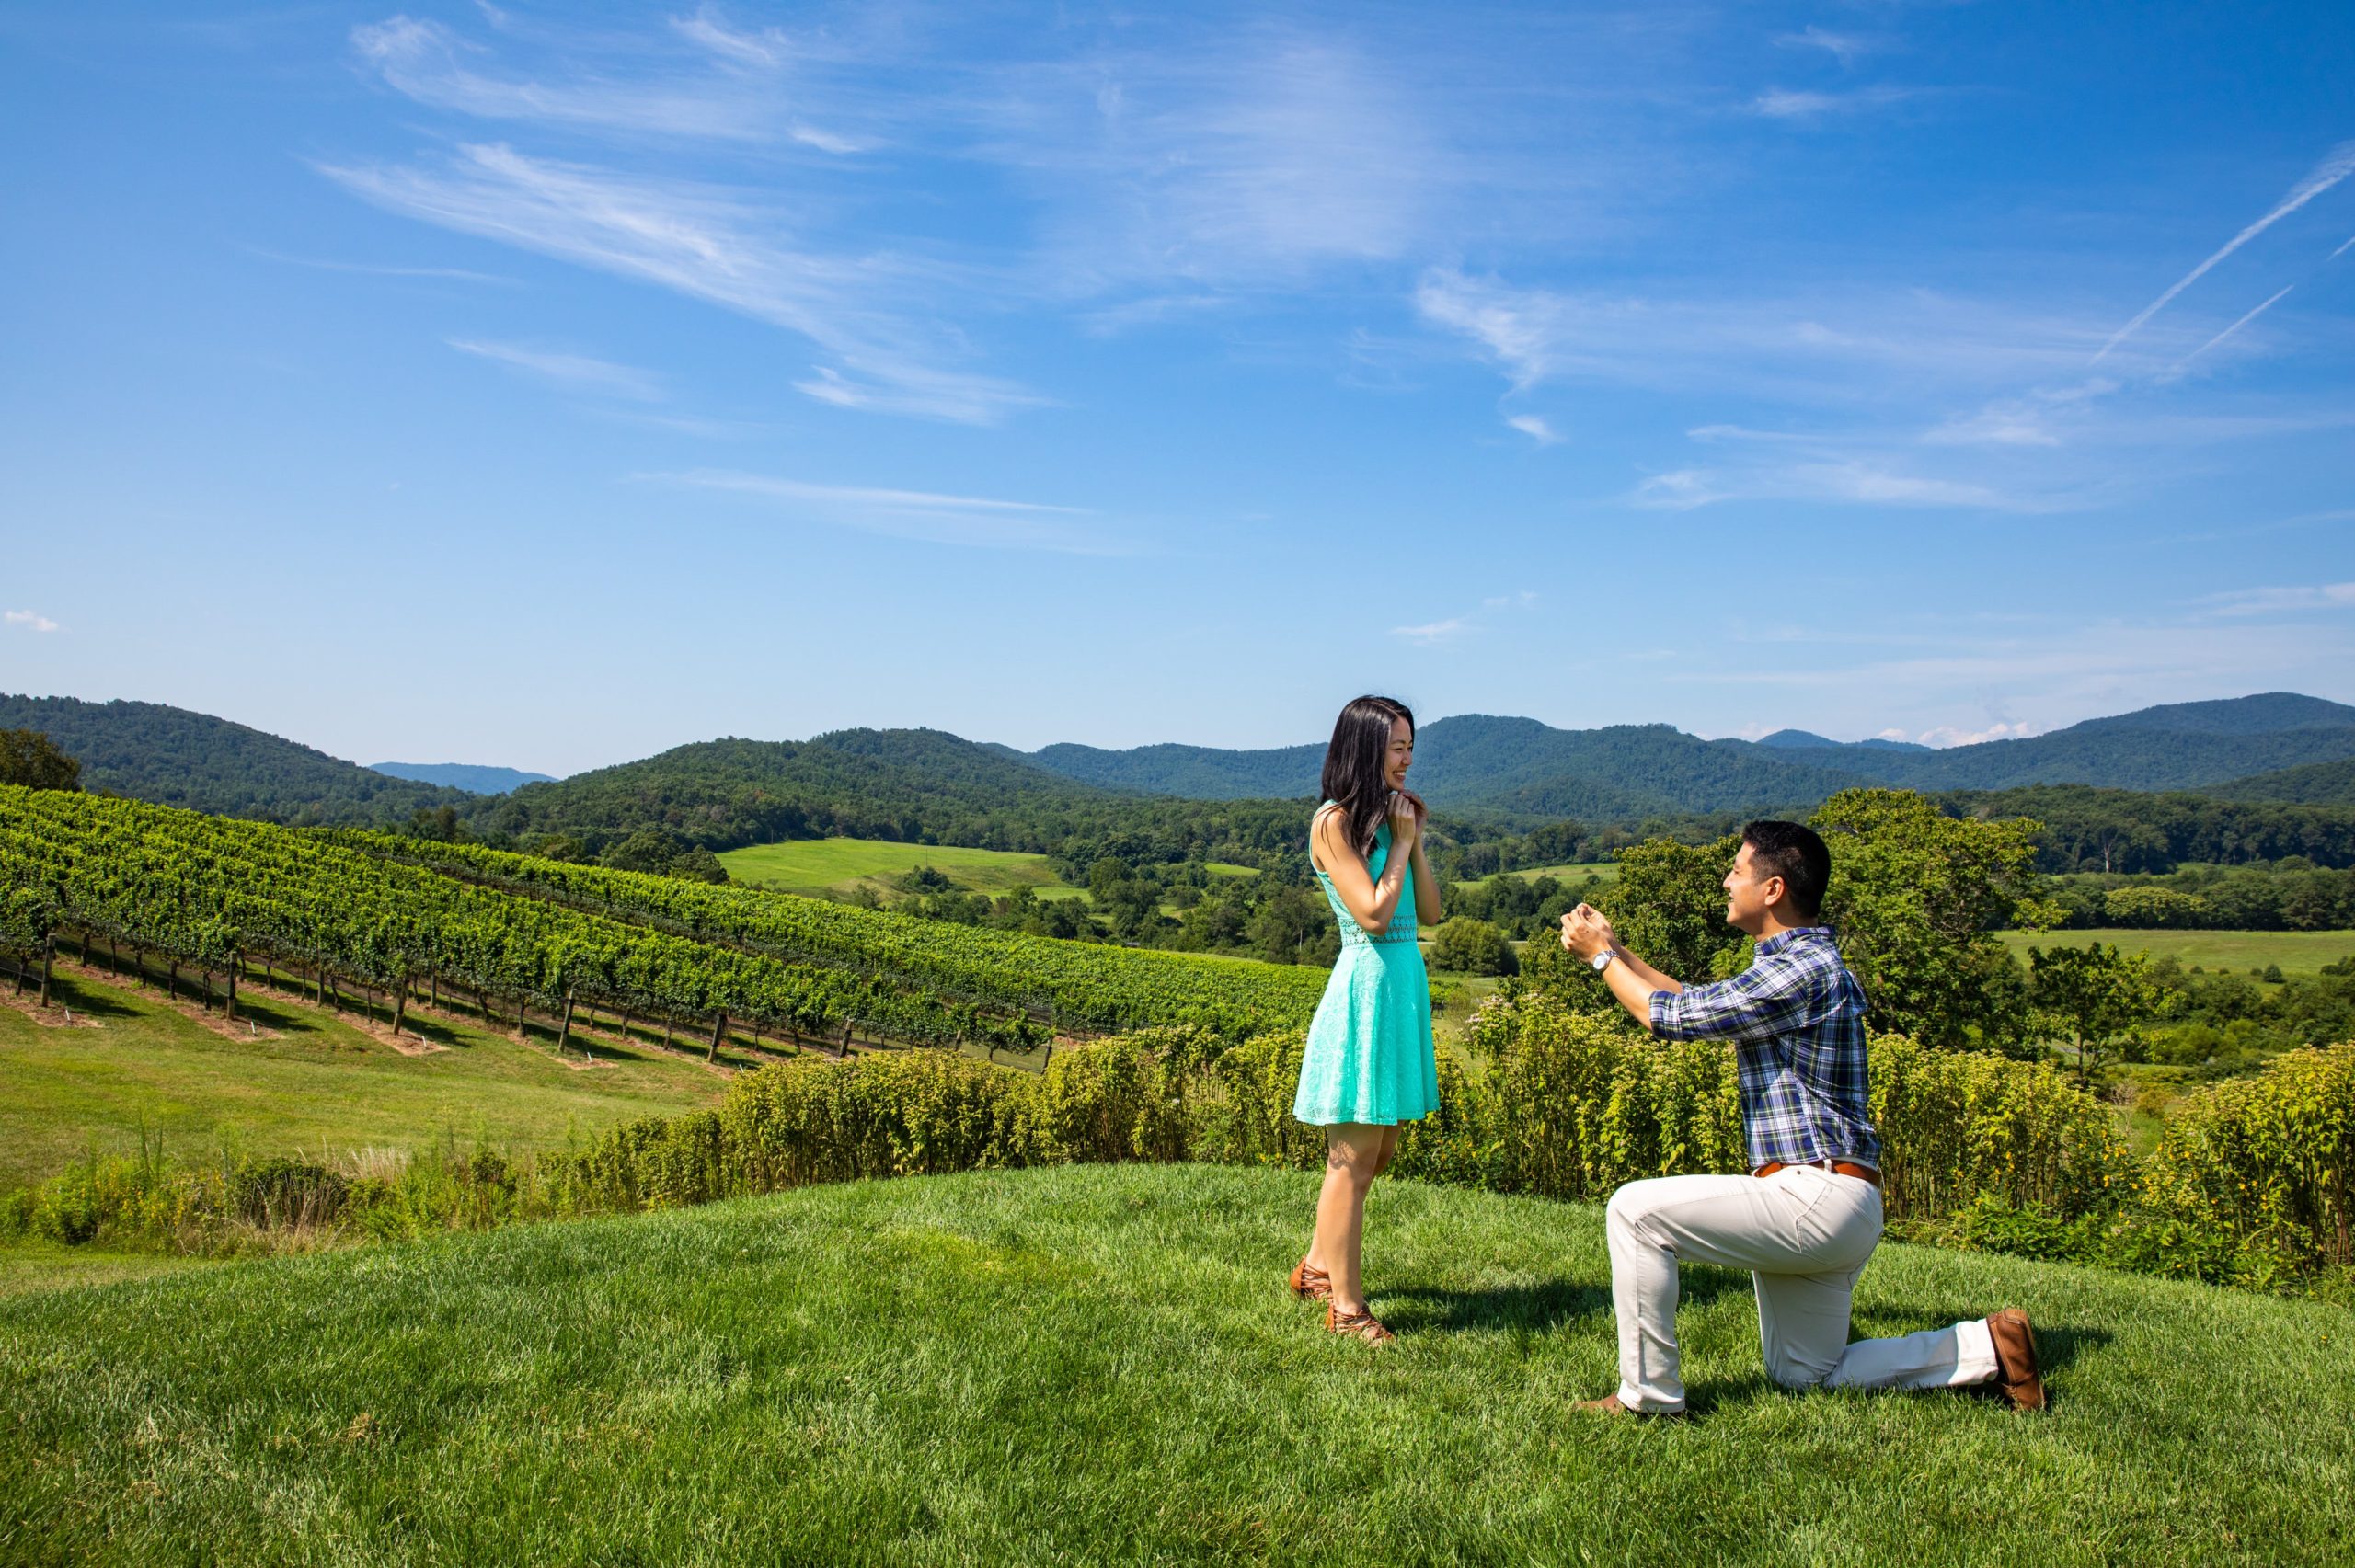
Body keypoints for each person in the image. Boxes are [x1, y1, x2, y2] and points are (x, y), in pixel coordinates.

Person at [1557, 819, 2046, 1415]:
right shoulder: (1793, 964)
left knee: (1634, 1210)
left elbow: (1668, 1018)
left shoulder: (1802, 971)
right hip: (1832, 1199)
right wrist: (1617, 947)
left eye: (1737, 869)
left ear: (1773, 888)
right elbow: (1690, 999)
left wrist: (1600, 957)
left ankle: (1648, 1397)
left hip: (1815, 1193)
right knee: (1805, 1374)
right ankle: (1990, 1347)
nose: (1726, 879)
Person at [1288, 695, 1444, 1344]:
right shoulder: (1335, 822)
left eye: (1410, 746)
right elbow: (1374, 916)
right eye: (1396, 746)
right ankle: (1346, 1308)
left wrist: (1415, 841)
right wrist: (1401, 845)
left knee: (1377, 1153)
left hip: (1401, 984)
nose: (1407, 759)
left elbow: (1428, 913)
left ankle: (1317, 1267)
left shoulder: (1389, 821)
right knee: (1351, 1157)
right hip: (1365, 987)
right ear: (1364, 747)